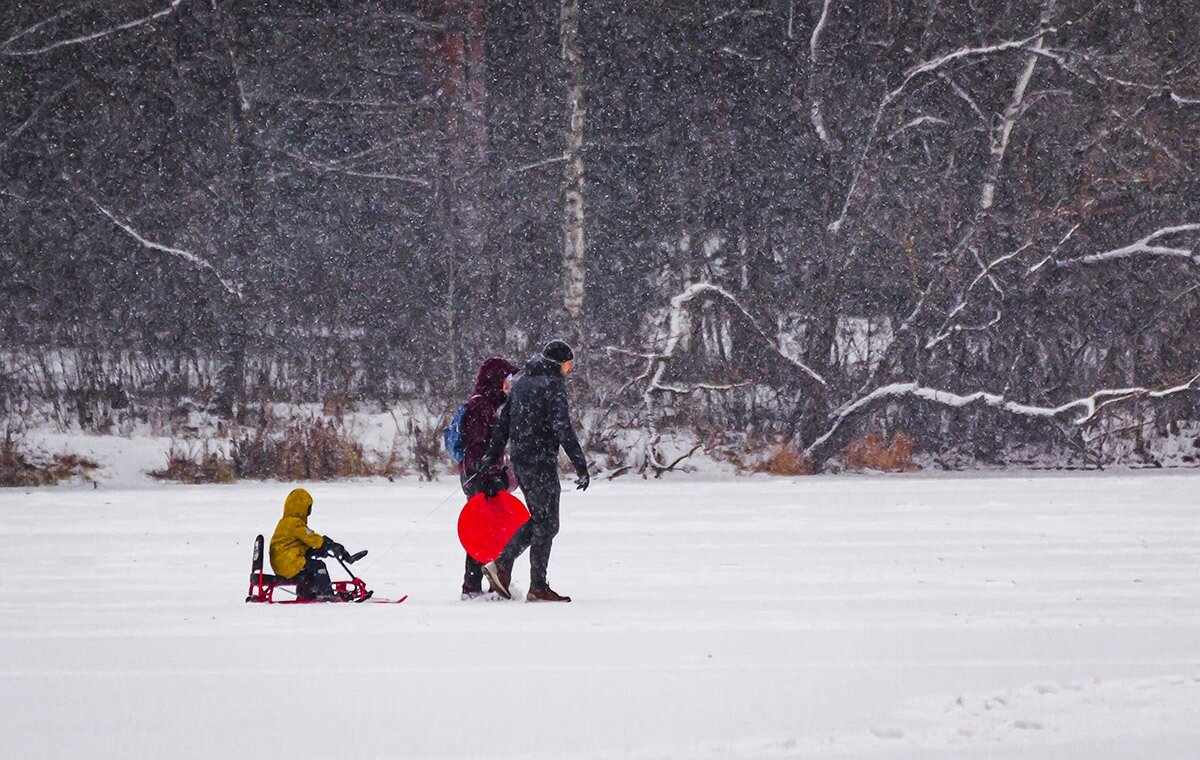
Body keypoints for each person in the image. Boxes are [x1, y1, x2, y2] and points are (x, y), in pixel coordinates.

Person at [477, 340, 590, 603]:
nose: (569, 369)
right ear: (560, 363)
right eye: (569, 364)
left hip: (522, 462)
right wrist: (580, 464)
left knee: (541, 520)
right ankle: (532, 584)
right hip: (540, 462)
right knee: (548, 523)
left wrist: (490, 457)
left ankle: (505, 568)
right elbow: (563, 428)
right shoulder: (552, 385)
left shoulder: (522, 383)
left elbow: (503, 425)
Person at [458, 355, 520, 599]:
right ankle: (472, 587)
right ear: (494, 381)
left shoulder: (490, 406)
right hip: (479, 478)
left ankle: (484, 584)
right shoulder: (479, 406)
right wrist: (489, 475)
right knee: (482, 531)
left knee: (489, 530)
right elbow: (476, 447)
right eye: (506, 381)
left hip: (485, 476)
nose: (508, 386)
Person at [269, 487, 349, 601]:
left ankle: (307, 592)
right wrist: (325, 544)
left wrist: (316, 550)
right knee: (318, 566)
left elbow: (298, 544)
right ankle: (325, 593)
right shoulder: (294, 523)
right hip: (289, 563)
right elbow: (310, 537)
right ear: (302, 507)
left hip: (283, 563)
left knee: (307, 568)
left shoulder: (286, 522)